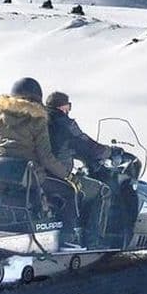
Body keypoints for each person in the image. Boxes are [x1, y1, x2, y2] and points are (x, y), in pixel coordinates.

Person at [0, 78, 80, 245]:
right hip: (27, 175)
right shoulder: (37, 119)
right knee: (68, 191)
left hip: (0, 176)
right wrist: (68, 175)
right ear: (37, 97)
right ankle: (68, 237)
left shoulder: (0, 117)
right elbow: (45, 157)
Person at [45, 91, 113, 247]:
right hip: (59, 177)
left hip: (42, 175)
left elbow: (63, 148)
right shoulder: (64, 124)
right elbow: (87, 145)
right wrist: (110, 152)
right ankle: (94, 241)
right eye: (68, 105)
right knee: (102, 191)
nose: (69, 109)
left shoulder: (41, 122)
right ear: (62, 106)